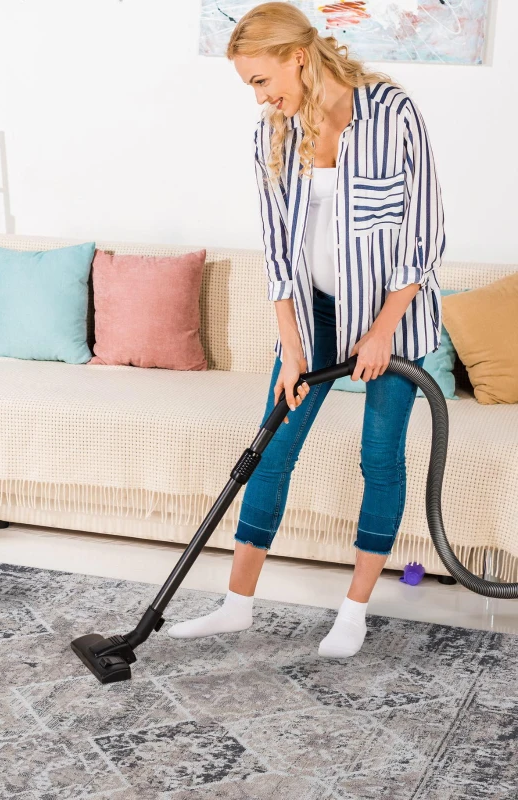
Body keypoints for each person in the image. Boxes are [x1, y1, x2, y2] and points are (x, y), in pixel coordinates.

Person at [169, 2, 444, 657]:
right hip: (315, 312)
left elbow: (424, 235)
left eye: (262, 82)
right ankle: (236, 605)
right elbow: (277, 251)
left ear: (298, 56)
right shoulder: (274, 132)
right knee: (272, 446)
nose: (260, 98)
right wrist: (292, 345)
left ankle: (354, 611)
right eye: (251, 89)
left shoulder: (391, 114)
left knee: (379, 457)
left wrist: (381, 331)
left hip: (393, 317)